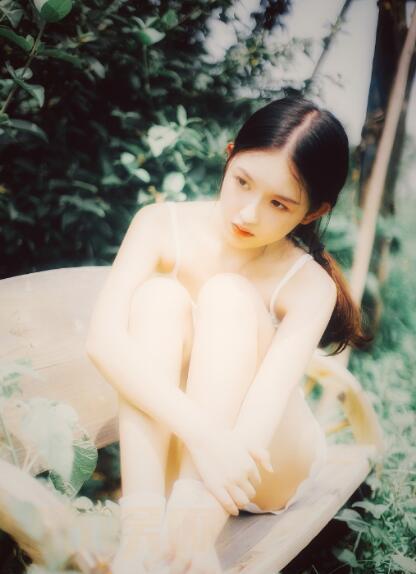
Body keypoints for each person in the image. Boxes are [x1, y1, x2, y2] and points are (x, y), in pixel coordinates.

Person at [86, 95, 371, 574]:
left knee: (227, 295)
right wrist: (206, 436)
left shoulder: (308, 284)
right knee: (157, 298)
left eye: (278, 203)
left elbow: (259, 421)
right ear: (230, 154)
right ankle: (139, 536)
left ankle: (185, 538)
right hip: (196, 447)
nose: (248, 213)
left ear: (311, 212)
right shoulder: (159, 226)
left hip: (265, 463)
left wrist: (195, 537)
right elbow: (103, 341)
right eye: (242, 182)